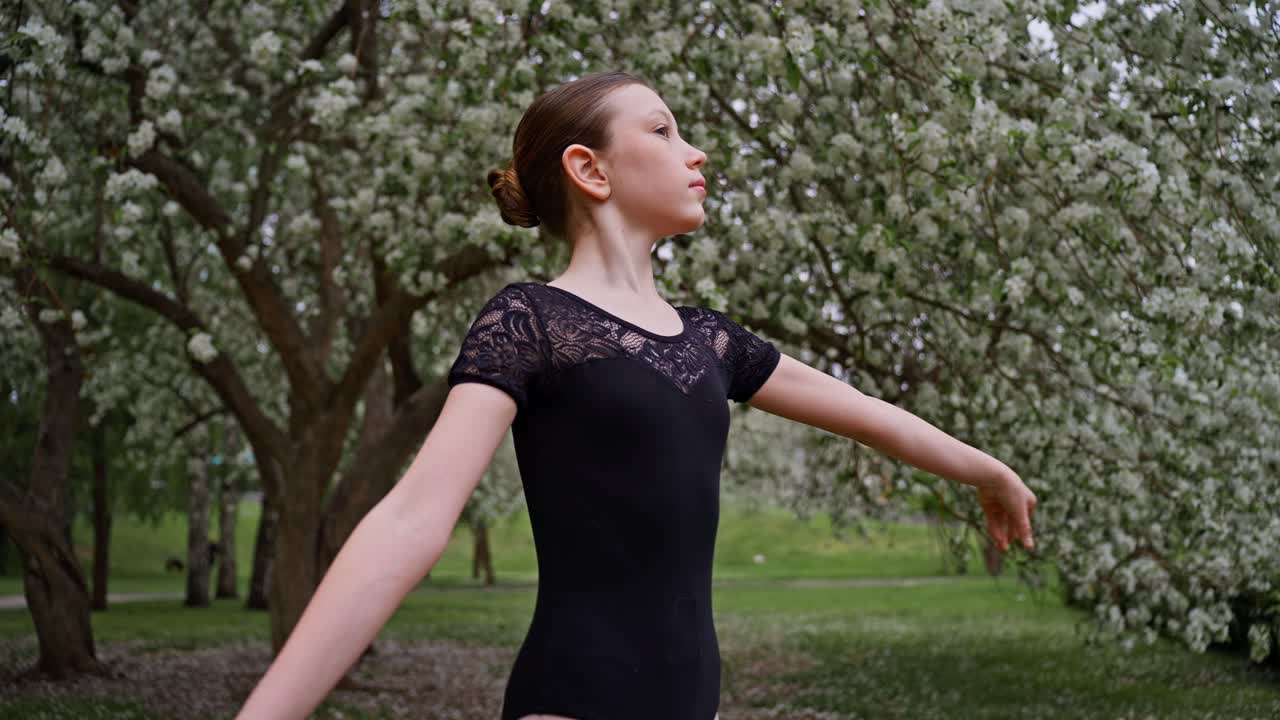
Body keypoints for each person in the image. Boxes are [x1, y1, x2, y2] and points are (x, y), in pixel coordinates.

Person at [235, 70, 1037, 720]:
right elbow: (413, 517)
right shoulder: (530, 321)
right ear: (590, 169)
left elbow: (872, 419)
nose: (696, 153)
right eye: (663, 130)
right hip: (574, 702)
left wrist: (986, 471)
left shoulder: (712, 342)